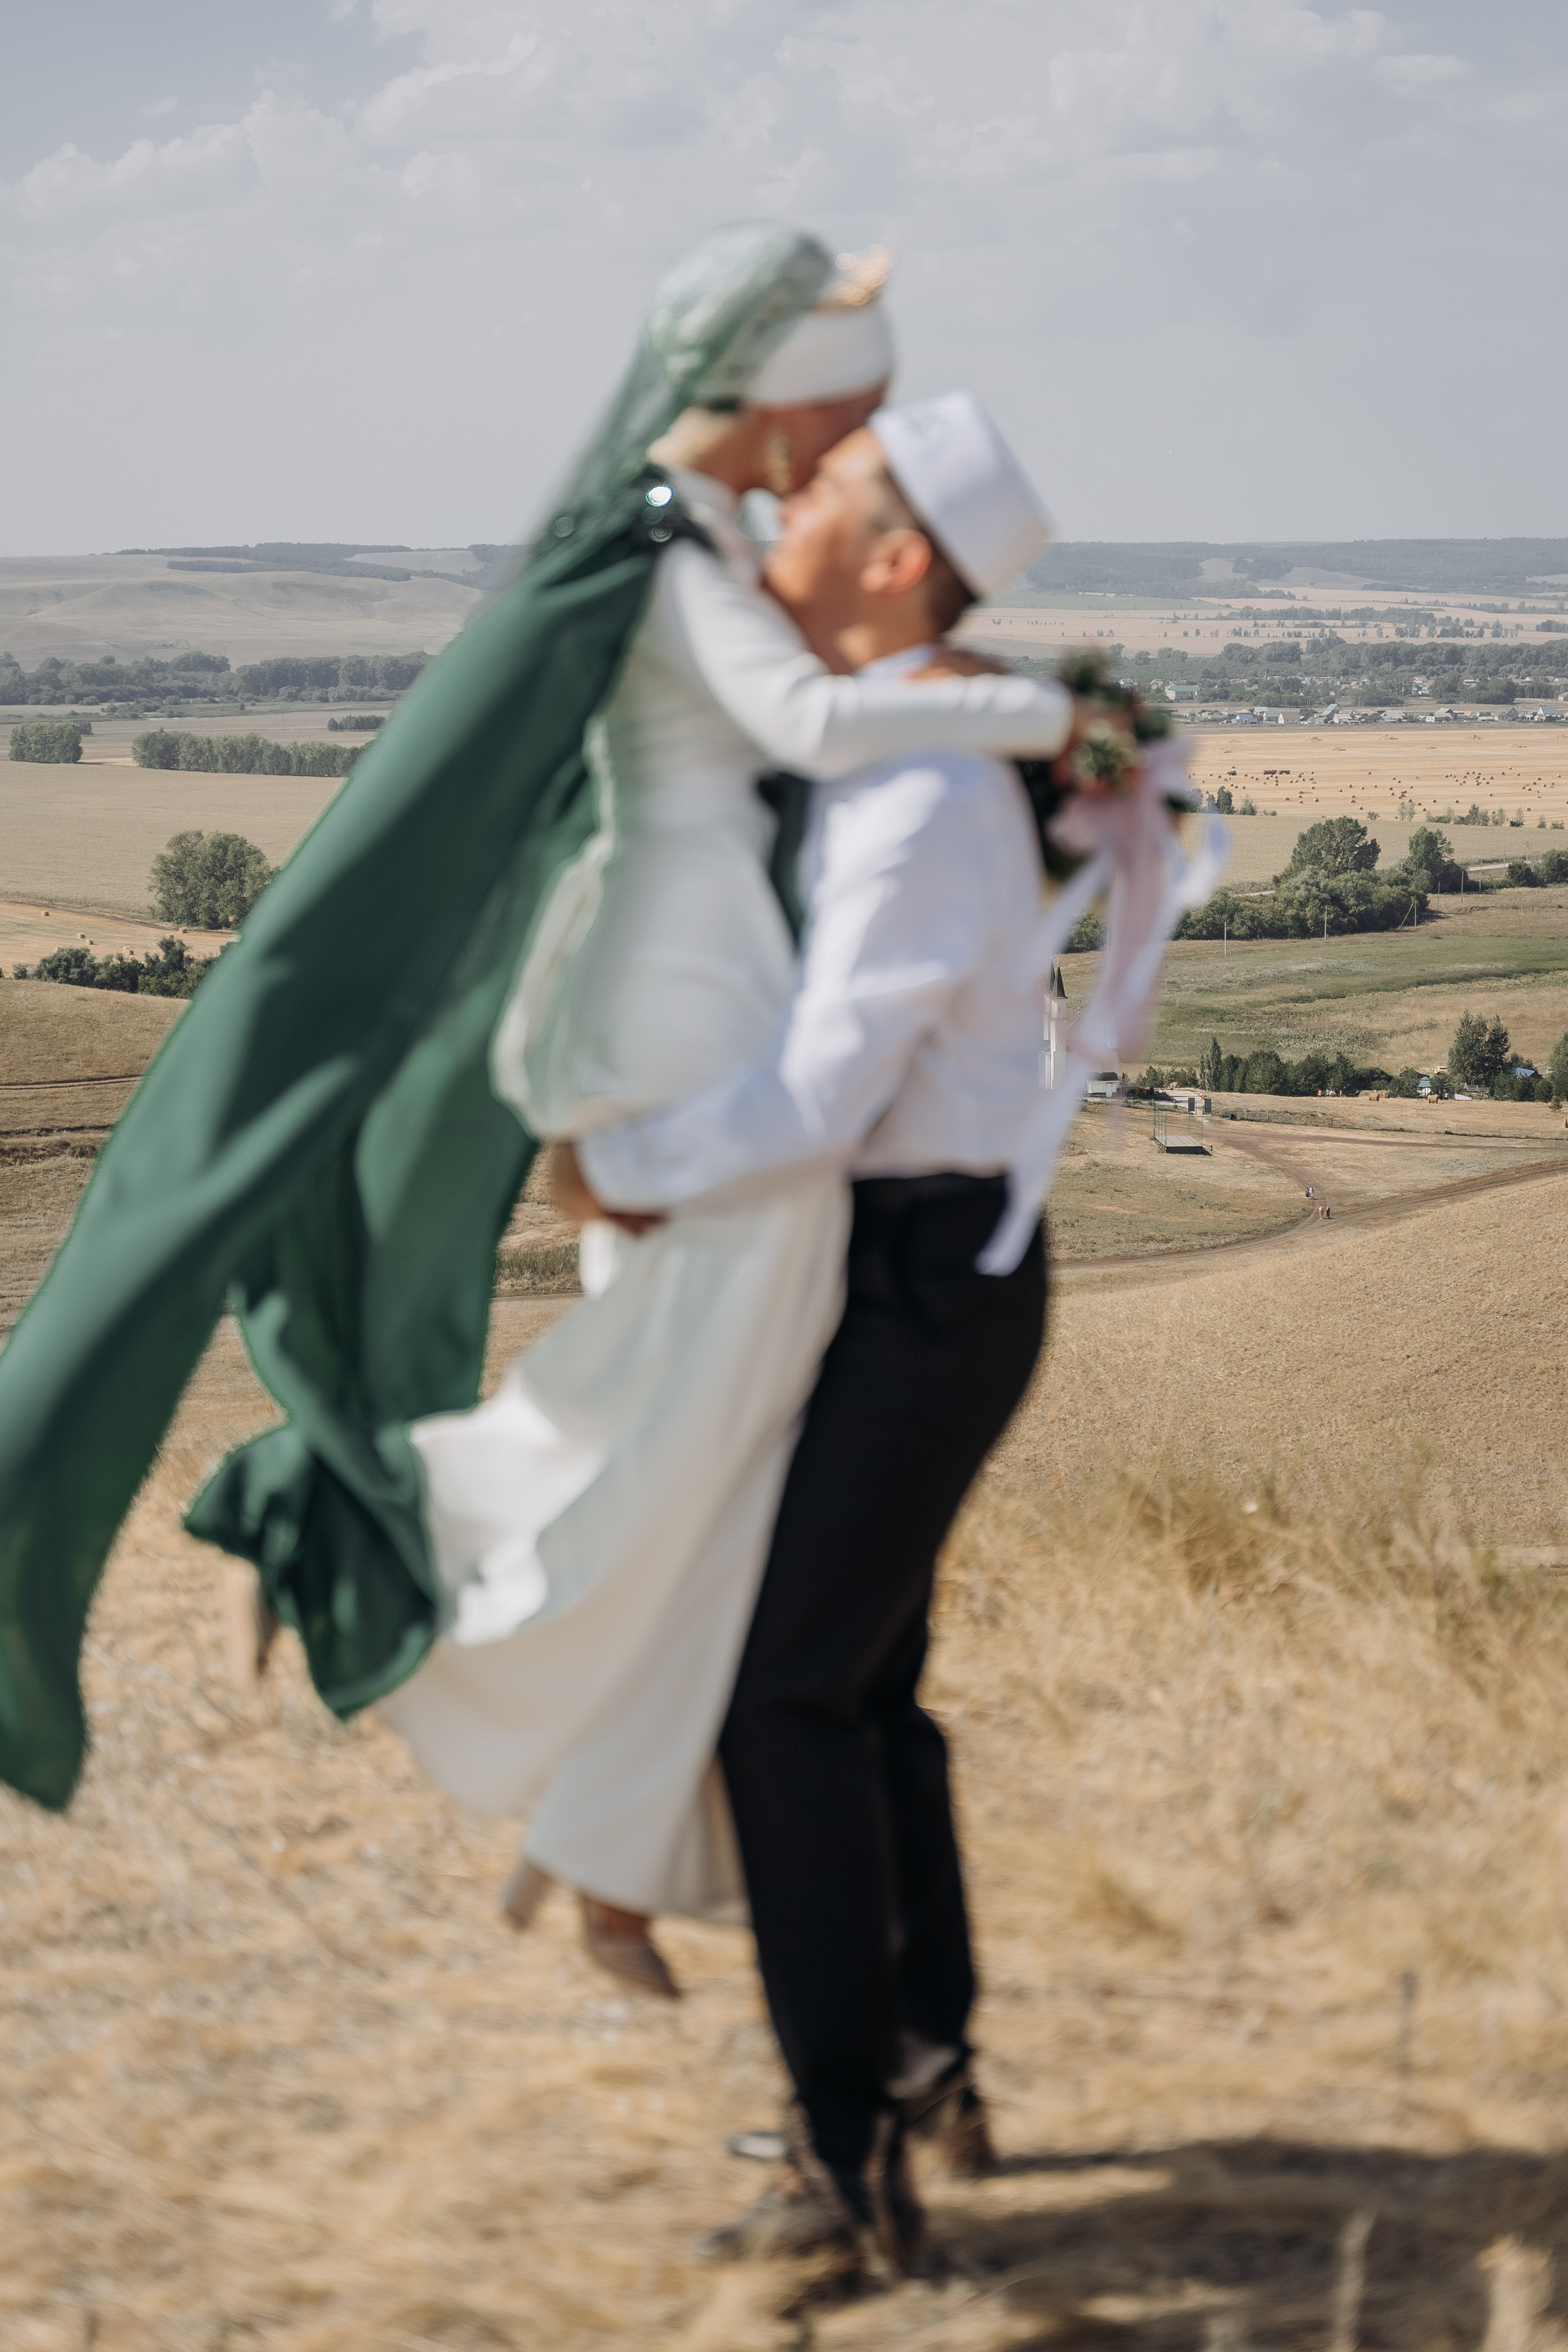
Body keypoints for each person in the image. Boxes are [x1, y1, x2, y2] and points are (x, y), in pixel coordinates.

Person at [373, 258, 1083, 2000]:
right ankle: (604, 1813)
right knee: (710, 1452)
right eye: (837, 426)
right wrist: (1062, 714)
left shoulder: (674, 541)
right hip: (701, 995)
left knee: (715, 1454)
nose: (826, 459)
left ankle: (631, 1846)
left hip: (697, 992)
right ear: (779, 397)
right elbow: (813, 721)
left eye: (849, 457)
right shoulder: (675, 554)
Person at [561, 390, 1143, 2271]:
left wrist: (621, 1167)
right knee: (864, 1683)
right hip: (912, 1268)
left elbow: (821, 1099)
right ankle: (925, 2060)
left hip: (915, 1279)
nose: (787, 498)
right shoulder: (899, 754)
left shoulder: (912, 799)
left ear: (895, 563)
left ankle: (844, 2165)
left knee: (783, 1694)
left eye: (823, 487)